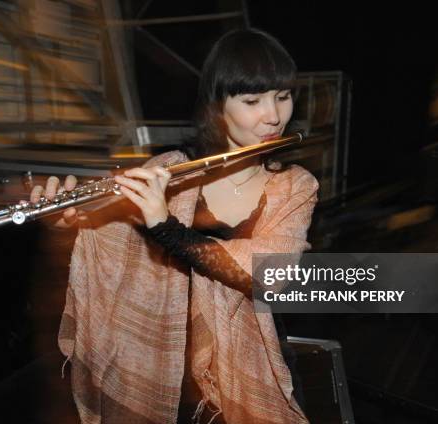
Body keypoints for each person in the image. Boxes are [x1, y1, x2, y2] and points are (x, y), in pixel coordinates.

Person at [31, 29, 318, 424]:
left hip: (245, 366)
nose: (274, 115)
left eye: (282, 97)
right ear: (218, 105)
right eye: (253, 100)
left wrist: (164, 227)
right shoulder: (168, 168)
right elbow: (110, 249)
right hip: (163, 368)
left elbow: (270, 272)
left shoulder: (295, 184)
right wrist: (67, 221)